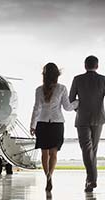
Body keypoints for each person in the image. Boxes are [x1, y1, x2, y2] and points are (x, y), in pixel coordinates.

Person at [69, 55, 105, 192]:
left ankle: (90, 179)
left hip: (82, 119)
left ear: (85, 66)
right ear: (97, 66)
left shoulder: (77, 79)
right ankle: (91, 179)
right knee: (93, 150)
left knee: (86, 149)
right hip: (99, 118)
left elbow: (71, 99)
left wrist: (80, 109)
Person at [30, 63, 78, 192]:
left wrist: (32, 125)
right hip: (57, 123)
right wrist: (78, 102)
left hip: (42, 123)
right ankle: (50, 175)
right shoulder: (62, 88)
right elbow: (68, 107)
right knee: (54, 153)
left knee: (44, 153)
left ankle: (47, 176)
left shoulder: (39, 90)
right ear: (57, 75)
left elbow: (36, 109)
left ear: (44, 75)